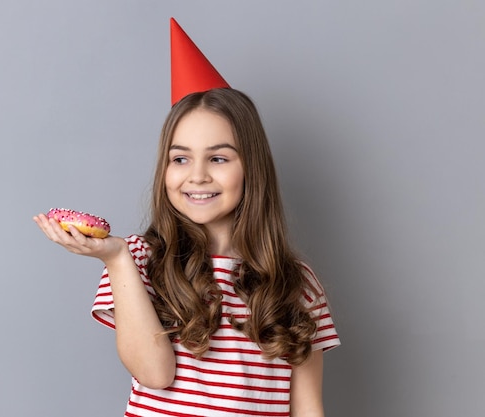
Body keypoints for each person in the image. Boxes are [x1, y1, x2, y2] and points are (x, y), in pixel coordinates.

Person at [33, 18, 339, 417]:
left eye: (218, 158)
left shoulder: (296, 282)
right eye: (180, 159)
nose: (197, 175)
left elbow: (307, 407)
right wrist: (117, 258)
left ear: (251, 168)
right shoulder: (139, 260)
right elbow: (154, 373)